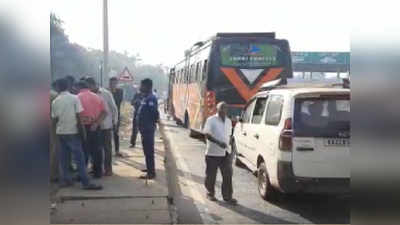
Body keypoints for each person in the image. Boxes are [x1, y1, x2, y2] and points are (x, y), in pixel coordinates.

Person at [51, 78, 102, 190]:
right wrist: (83, 133)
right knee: (79, 158)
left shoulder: (55, 101)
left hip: (61, 132)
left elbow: (54, 119)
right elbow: (79, 117)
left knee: (64, 158)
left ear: (58, 88)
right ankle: (86, 182)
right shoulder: (74, 98)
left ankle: (66, 180)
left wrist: (55, 134)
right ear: (68, 86)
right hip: (73, 132)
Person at [202, 102, 237, 205]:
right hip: (212, 153)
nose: (223, 110)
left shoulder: (229, 122)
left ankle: (227, 196)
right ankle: (210, 193)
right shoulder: (211, 120)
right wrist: (218, 142)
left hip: (226, 153)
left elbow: (229, 135)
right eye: (221, 108)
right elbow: (207, 134)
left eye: (225, 108)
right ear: (217, 109)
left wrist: (231, 146)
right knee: (211, 175)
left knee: (228, 174)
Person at [87, 77, 118, 176]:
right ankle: (96, 168)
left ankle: (108, 169)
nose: (89, 89)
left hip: (106, 125)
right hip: (94, 126)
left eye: (90, 86)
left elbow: (114, 108)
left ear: (94, 84)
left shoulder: (106, 93)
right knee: (95, 148)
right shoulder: (89, 95)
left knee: (107, 148)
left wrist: (115, 122)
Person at [77, 80, 107, 179]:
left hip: (82, 127)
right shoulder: (97, 97)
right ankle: (97, 172)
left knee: (82, 151)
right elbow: (105, 112)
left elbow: (76, 114)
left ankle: (82, 174)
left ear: (79, 87)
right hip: (95, 126)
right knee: (97, 150)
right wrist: (96, 123)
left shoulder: (77, 97)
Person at [136, 79, 160, 179]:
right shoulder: (145, 97)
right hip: (144, 128)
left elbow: (154, 113)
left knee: (149, 151)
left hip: (147, 128)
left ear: (147, 86)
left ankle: (151, 173)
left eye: (141, 85)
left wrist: (150, 124)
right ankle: (149, 168)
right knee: (146, 150)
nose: (140, 87)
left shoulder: (151, 98)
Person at [109, 77, 124, 157]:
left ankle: (117, 150)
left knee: (116, 133)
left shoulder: (120, 91)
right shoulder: (106, 91)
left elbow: (118, 101)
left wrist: (112, 93)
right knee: (106, 133)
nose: (113, 85)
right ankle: (107, 150)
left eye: (114, 83)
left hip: (116, 114)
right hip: (107, 115)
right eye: (111, 83)